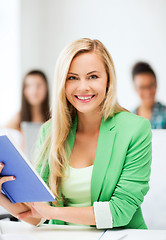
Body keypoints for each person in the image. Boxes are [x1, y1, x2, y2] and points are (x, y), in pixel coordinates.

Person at [0, 38, 152, 229]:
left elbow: (120, 212)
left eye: (93, 76)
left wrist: (53, 212)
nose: (83, 87)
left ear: (108, 80)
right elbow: (37, 214)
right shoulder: (50, 131)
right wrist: (2, 196)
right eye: (72, 77)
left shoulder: (135, 129)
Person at [132, 62, 166, 129]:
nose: (148, 92)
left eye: (151, 86)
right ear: (135, 88)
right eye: (142, 87)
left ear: (156, 84)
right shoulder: (130, 118)